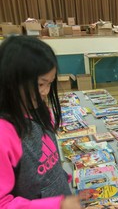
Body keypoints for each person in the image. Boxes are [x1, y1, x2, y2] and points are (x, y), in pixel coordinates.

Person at [0, 36, 82, 209]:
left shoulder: (39, 110)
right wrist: (57, 204)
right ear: (10, 81)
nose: (46, 92)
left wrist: (63, 181)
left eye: (50, 83)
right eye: (40, 84)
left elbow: (48, 161)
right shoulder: (4, 134)